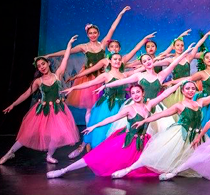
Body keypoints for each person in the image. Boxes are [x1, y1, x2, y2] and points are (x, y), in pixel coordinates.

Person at [46, 82, 183, 179]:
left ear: (143, 93)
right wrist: (95, 126)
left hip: (142, 142)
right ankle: (63, 170)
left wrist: (180, 83)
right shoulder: (129, 109)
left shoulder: (148, 105)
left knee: (152, 165)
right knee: (96, 156)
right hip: (126, 140)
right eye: (132, 93)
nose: (135, 95)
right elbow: (112, 118)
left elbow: (165, 93)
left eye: (138, 92)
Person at [110, 81, 210, 180]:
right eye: (187, 89)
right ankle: (127, 170)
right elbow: (161, 114)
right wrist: (144, 121)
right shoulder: (179, 105)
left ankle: (174, 172)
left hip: (198, 136)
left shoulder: (200, 102)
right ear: (182, 91)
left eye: (192, 89)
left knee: (203, 159)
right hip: (181, 134)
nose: (190, 91)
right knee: (156, 154)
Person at [1, 35, 80, 165]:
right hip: (42, 110)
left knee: (56, 134)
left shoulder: (57, 74)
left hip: (58, 110)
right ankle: (9, 153)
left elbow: (65, 58)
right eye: (39, 66)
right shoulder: (38, 81)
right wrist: (13, 105)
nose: (42, 67)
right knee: (27, 134)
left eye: (43, 64)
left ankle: (49, 155)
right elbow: (26, 94)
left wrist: (69, 45)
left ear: (48, 63)